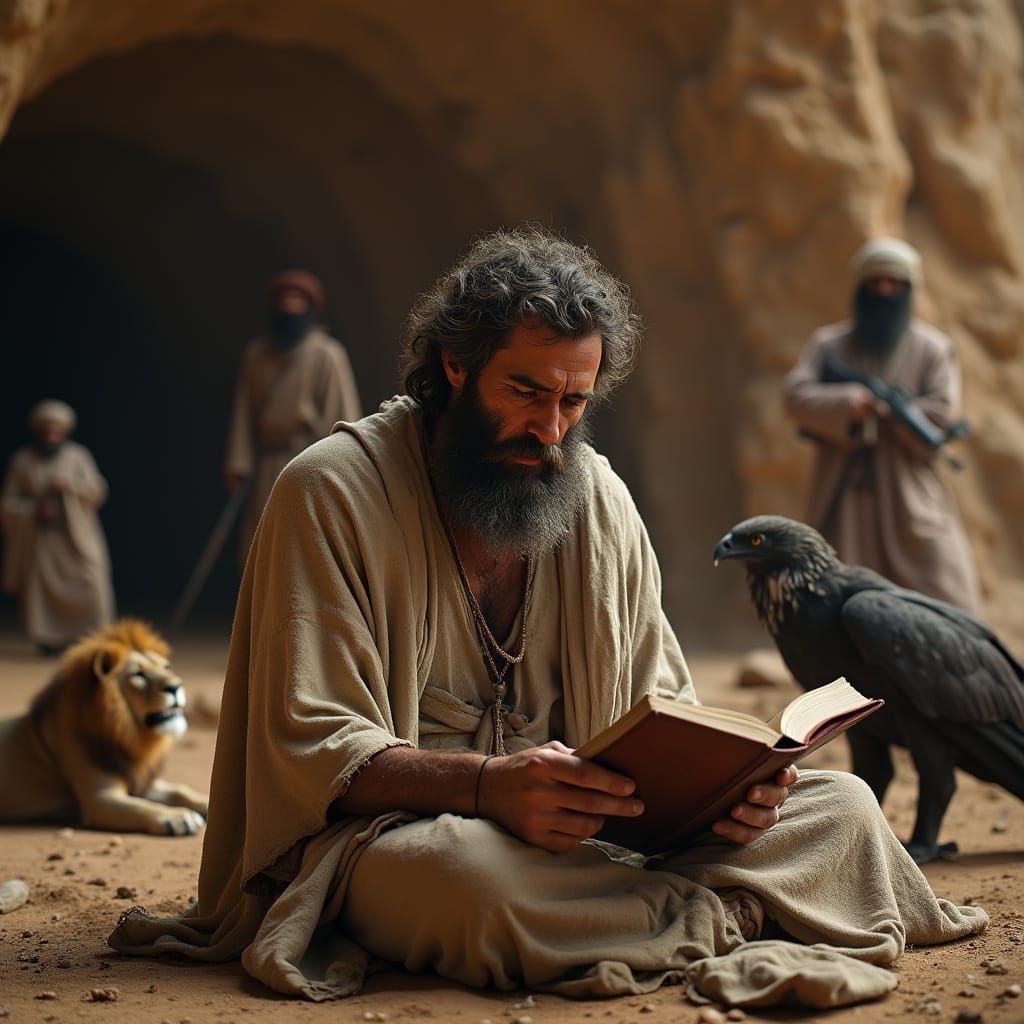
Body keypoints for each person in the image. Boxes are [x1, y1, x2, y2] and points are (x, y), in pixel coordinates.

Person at [111, 228, 985, 1007]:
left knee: (842, 809)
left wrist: (732, 793)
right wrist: (489, 787)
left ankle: (680, 911)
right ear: (456, 365)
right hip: (409, 835)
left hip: (598, 840)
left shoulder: (596, 499)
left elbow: (662, 710)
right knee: (466, 884)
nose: (552, 432)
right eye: (527, 393)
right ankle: (738, 914)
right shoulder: (331, 491)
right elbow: (313, 746)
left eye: (575, 402)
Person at [783, 237, 981, 612]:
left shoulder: (932, 348)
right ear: (861, 287)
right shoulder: (829, 345)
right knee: (838, 595)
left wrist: (890, 412)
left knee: (945, 596)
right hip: (845, 492)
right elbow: (795, 397)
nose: (885, 290)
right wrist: (849, 404)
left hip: (910, 495)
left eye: (895, 283)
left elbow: (942, 410)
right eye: (876, 282)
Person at [224, 269, 362, 564]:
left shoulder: (327, 355)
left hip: (308, 461)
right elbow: (244, 412)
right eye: (284, 300)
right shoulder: (257, 355)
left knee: (306, 546)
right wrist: (239, 464)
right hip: (267, 466)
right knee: (263, 549)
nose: (290, 307)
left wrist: (341, 470)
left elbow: (343, 415)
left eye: (298, 300)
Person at [1, 400, 115, 654]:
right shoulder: (23, 461)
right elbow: (8, 503)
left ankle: (91, 639)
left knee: (92, 581)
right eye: (46, 431)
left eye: (56, 431)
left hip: (76, 537)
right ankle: (49, 641)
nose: (51, 436)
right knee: (40, 590)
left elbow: (98, 491)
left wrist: (69, 487)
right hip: (42, 541)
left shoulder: (78, 457)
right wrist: (33, 511)